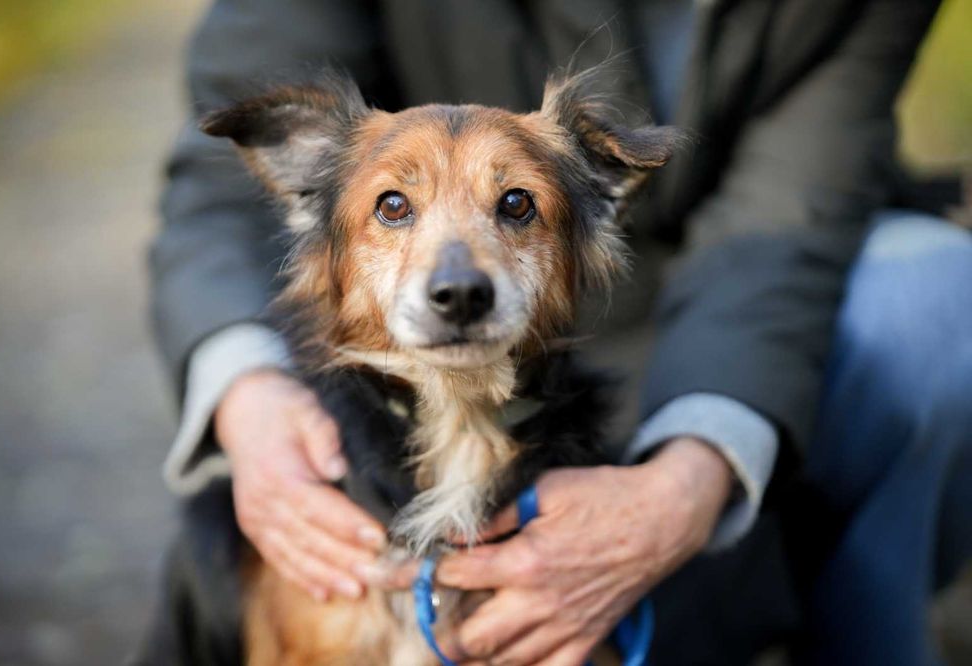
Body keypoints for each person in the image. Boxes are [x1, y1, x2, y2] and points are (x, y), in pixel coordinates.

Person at [142, 0, 970, 664]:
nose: (458, 274)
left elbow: (786, 223)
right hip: (373, 420)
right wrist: (246, 393)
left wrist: (689, 480)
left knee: (935, 299)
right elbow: (213, 189)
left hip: (667, 355)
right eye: (396, 208)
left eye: (514, 207)